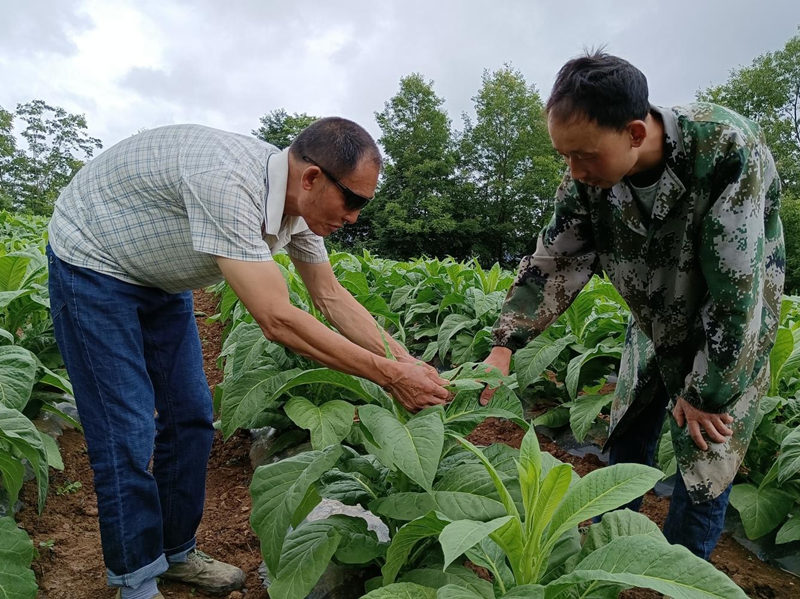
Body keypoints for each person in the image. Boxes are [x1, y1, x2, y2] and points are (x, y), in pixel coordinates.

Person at [46, 118, 451, 599]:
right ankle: (136, 581)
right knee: (126, 431)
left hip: (161, 278)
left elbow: (329, 295)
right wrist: (388, 376)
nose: (355, 217)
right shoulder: (227, 182)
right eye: (354, 201)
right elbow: (276, 320)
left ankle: (176, 553)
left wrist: (404, 359)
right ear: (312, 178)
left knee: (192, 417)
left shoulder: (299, 209)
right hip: (93, 264)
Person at [480, 51, 784, 559]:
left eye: (585, 155)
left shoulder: (725, 149)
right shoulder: (586, 177)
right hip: (654, 320)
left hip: (730, 336)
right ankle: (610, 555)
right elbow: (555, 257)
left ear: (635, 134)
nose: (574, 170)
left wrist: (706, 392)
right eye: (565, 156)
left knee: (704, 456)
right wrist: (505, 343)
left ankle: (675, 576)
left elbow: (738, 291)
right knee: (627, 432)